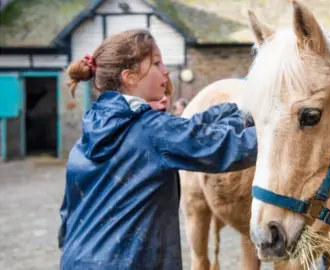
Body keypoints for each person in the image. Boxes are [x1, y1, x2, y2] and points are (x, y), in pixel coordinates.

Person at [58, 29, 258, 270]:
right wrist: (283, 126)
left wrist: (243, 111)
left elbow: (67, 215)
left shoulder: (88, 137)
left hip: (77, 260)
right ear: (130, 76)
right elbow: (228, 147)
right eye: (156, 63)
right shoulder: (151, 131)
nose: (166, 70)